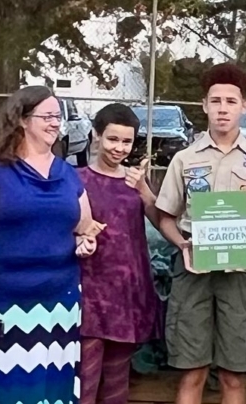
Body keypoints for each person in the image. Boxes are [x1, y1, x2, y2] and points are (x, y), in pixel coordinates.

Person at [155, 63, 246, 404]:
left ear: (244, 106)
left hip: (239, 275)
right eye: (216, 101)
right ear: (204, 106)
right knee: (192, 370)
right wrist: (182, 244)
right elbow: (165, 215)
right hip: (193, 271)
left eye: (231, 101)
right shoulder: (184, 159)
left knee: (233, 374)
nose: (222, 108)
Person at [0, 85, 96, 404]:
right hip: (5, 302)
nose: (55, 123)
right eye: (46, 116)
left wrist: (85, 242)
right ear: (22, 120)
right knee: (6, 390)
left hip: (60, 304)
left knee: (55, 391)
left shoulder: (68, 175)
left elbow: (84, 226)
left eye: (57, 116)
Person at [77, 103, 160, 404]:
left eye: (127, 141)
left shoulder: (136, 181)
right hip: (89, 292)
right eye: (113, 139)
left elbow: (160, 220)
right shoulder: (77, 179)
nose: (119, 148)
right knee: (84, 379)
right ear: (96, 136)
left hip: (128, 295)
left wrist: (144, 191)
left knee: (116, 383)